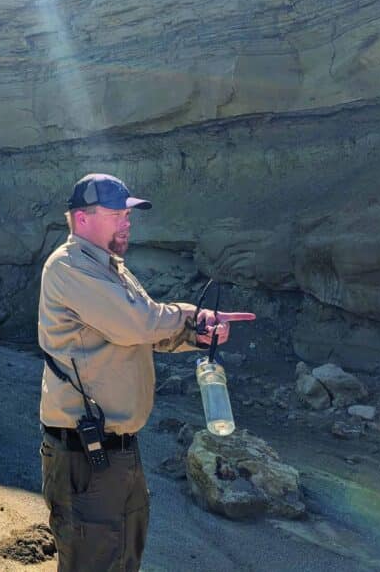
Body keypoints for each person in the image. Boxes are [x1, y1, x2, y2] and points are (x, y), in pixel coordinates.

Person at [38, 173, 255, 571]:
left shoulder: (109, 268)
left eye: (128, 213)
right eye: (117, 213)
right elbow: (138, 323)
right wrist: (190, 315)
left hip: (115, 452)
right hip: (85, 457)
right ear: (82, 219)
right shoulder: (68, 268)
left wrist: (199, 329)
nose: (127, 221)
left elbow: (148, 332)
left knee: (123, 559)